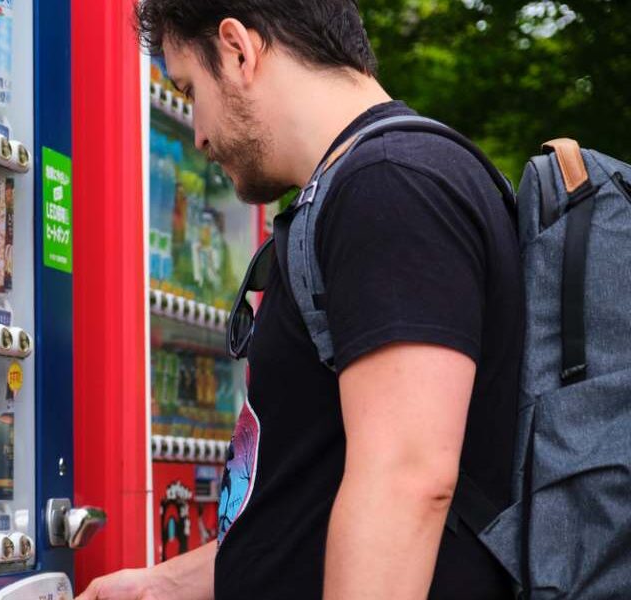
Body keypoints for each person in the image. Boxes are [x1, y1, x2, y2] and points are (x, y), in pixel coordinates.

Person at [79, 1, 521, 598]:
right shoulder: (358, 189)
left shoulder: (389, 184)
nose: (199, 133)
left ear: (238, 50)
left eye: (190, 91)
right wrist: (162, 584)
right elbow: (302, 515)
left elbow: (407, 483)